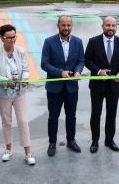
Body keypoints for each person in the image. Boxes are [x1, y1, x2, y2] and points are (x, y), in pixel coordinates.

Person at [0, 24, 36, 165]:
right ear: (2, 38)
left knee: (23, 121)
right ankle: (8, 149)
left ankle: (28, 152)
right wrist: (5, 81)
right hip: (3, 94)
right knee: (7, 122)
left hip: (19, 93)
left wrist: (25, 79)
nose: (12, 40)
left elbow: (26, 69)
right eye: (8, 38)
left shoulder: (21, 51)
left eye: (14, 37)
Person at [41, 15, 85, 157]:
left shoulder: (78, 42)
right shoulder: (49, 42)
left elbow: (81, 60)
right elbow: (44, 64)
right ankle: (52, 143)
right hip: (55, 88)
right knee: (53, 116)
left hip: (72, 87)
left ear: (71, 26)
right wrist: (60, 72)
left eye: (68, 25)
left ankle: (71, 141)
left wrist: (78, 71)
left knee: (71, 115)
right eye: (63, 25)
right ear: (58, 25)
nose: (66, 28)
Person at [84, 16, 119, 153]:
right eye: (108, 25)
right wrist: (98, 71)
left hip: (114, 86)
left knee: (112, 114)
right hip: (97, 85)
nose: (111, 28)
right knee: (96, 114)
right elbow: (87, 60)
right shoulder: (93, 42)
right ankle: (95, 141)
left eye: (113, 26)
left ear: (116, 27)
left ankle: (109, 140)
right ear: (102, 26)